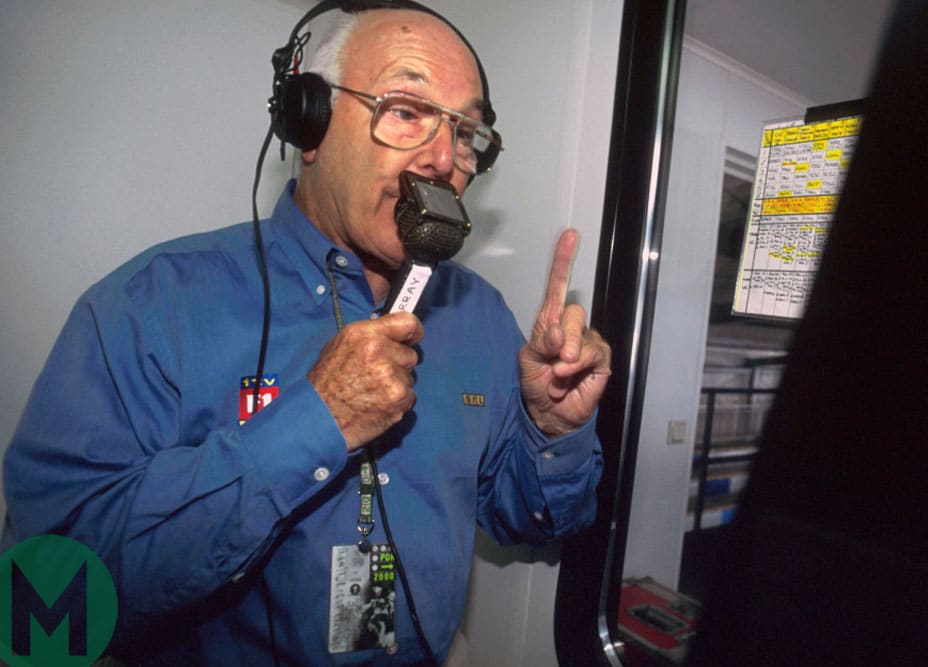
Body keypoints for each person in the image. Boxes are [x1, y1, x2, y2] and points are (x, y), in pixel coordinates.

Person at [2, 5, 609, 666]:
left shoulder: (481, 316)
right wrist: (313, 423)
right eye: (406, 109)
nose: (443, 158)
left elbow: (526, 518)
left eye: (465, 131)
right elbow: (45, 597)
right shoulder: (152, 306)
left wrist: (552, 431)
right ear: (309, 122)